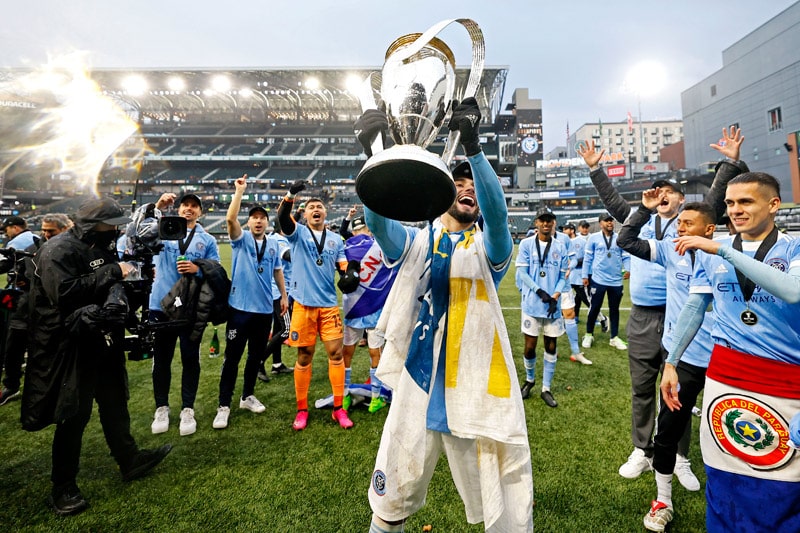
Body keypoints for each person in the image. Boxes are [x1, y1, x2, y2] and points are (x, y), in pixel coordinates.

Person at [360, 98, 533, 531]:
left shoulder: (490, 247)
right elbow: (379, 222)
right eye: (458, 182)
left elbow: (498, 215)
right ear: (438, 193)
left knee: (505, 509)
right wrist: (377, 157)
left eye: (472, 183)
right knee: (390, 500)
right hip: (418, 384)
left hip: (477, 388)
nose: (467, 188)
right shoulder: (416, 243)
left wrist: (474, 150)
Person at [578, 127, 747, 482]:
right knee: (642, 387)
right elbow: (615, 206)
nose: (664, 196)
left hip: (678, 317)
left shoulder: (690, 229)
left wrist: (730, 163)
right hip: (642, 315)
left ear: (683, 201)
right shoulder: (639, 220)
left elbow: (716, 198)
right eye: (660, 192)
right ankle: (642, 448)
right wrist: (596, 169)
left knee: (678, 392)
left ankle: (679, 456)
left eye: (672, 193)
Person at [663, 172, 800, 532]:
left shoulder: (795, 248)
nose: (735, 210)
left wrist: (722, 249)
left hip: (784, 381)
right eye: (729, 203)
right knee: (724, 475)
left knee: (781, 482)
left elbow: (792, 291)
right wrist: (671, 361)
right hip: (725, 376)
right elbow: (695, 307)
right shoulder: (715, 250)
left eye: (745, 202)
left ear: (773, 205)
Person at [20, 197, 171, 516]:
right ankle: (62, 488)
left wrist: (125, 289)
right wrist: (114, 271)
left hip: (102, 335)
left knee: (115, 401)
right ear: (92, 225)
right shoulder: (57, 250)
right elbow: (64, 294)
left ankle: (129, 460)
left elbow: (109, 285)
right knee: (74, 414)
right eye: (111, 225)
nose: (115, 231)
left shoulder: (99, 245)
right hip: (70, 344)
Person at [618, 197, 719, 531]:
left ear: (709, 230)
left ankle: (689, 465)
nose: (680, 228)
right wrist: (645, 210)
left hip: (723, 356)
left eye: (687, 224)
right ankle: (663, 500)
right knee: (668, 427)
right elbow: (626, 240)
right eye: (679, 223)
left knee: (726, 427)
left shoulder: (726, 258)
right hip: (685, 356)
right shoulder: (668, 250)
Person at [212, 176, 288, 430]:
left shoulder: (273, 244)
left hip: (264, 309)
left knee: (255, 358)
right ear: (249, 222)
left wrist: (284, 297)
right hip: (240, 310)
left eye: (262, 217)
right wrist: (239, 191)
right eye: (254, 217)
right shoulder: (241, 239)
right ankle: (223, 405)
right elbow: (230, 220)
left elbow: (278, 271)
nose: (258, 220)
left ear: (267, 222)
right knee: (232, 358)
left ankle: (246, 396)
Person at [277, 183, 353, 431]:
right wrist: (290, 195)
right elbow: (282, 219)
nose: (316, 210)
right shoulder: (297, 233)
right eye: (311, 208)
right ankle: (302, 410)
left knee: (336, 354)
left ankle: (339, 408)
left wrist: (350, 274)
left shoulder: (335, 239)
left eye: (319, 206)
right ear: (306, 214)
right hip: (303, 306)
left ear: (326, 213)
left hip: (329, 306)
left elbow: (343, 265)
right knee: (304, 356)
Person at [149, 192, 220, 436]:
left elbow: (216, 270)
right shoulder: (161, 230)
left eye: (194, 206)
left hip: (190, 307)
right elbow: (137, 235)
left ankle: (187, 409)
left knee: (190, 358)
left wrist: (197, 269)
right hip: (161, 305)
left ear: (200, 212)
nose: (188, 209)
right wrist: (157, 207)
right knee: (161, 359)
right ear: (178, 209)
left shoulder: (207, 239)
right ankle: (161, 407)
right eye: (185, 205)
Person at [0, 214, 71, 406]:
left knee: (45, 354)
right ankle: (11, 386)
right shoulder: (31, 249)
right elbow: (21, 275)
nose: (46, 234)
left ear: (65, 229)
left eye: (51, 231)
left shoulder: (72, 251)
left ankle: (49, 390)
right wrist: (21, 279)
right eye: (44, 230)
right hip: (25, 308)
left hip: (51, 312)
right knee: (13, 349)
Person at [340, 215, 397, 413]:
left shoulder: (345, 248)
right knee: (375, 351)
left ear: (354, 232)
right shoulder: (380, 248)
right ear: (369, 230)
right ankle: (375, 398)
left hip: (352, 307)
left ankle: (344, 395)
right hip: (375, 307)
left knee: (347, 352)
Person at [516, 206, 570, 407]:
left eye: (549, 220)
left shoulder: (561, 247)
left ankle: (546, 388)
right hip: (532, 304)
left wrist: (554, 296)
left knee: (551, 345)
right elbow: (522, 273)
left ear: (554, 222)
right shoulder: (526, 244)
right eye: (542, 220)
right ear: (536, 222)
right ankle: (530, 380)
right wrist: (540, 292)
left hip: (552, 306)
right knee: (530, 347)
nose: (546, 224)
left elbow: (564, 275)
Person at [581, 212, 630, 350]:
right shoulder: (594, 238)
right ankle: (589, 334)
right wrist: (585, 275)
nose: (610, 223)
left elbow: (626, 256)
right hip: (598, 279)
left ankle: (614, 337)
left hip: (615, 280)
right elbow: (588, 259)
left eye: (611, 221)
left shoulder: (620, 238)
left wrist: (628, 269)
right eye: (607, 221)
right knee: (595, 308)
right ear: (600, 223)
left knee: (615, 309)